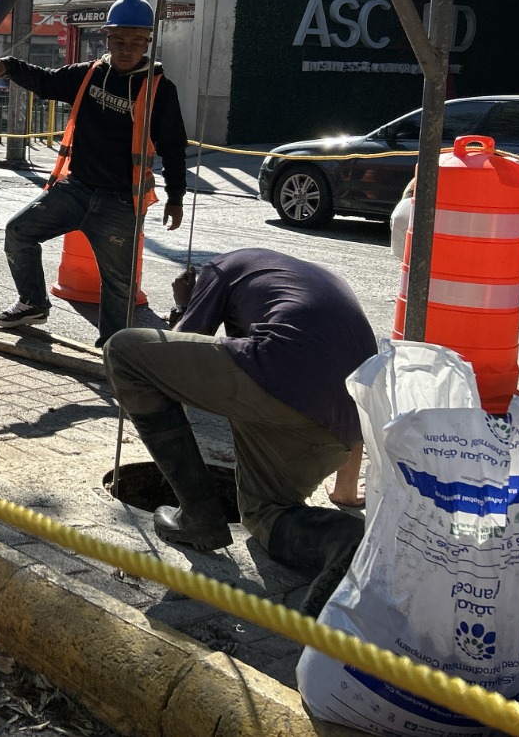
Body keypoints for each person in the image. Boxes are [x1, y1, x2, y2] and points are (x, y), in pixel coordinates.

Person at [103, 248, 375, 616]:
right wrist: (345, 490)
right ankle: (345, 541)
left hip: (281, 372)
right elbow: (346, 387)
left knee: (124, 352)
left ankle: (198, 516)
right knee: (264, 511)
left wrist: (185, 306)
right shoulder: (302, 280)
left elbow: (169, 366)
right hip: (343, 425)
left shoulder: (220, 268)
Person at [0, 0, 187, 345]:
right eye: (119, 40)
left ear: (148, 42)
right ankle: (33, 303)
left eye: (136, 41)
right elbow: (46, 80)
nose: (126, 49)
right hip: (75, 190)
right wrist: (8, 65)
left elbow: (174, 148)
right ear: (107, 39)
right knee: (18, 232)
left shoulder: (160, 90)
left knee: (119, 284)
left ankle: (114, 348)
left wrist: (175, 197)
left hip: (120, 202)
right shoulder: (88, 75)